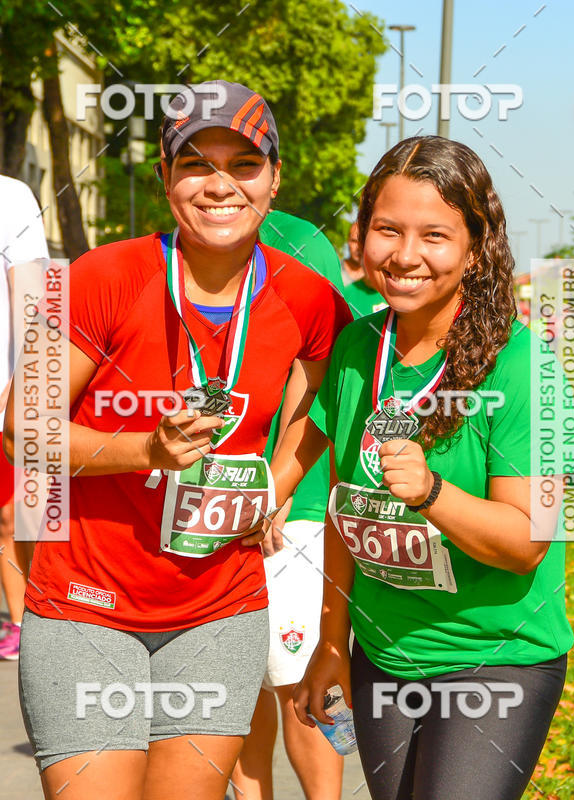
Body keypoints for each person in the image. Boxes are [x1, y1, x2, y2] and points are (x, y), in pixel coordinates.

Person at [3, 80, 350, 800]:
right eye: (195, 164)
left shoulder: (309, 297)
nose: (219, 185)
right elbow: (21, 426)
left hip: (218, 609)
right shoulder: (102, 277)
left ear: (274, 177)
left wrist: (271, 490)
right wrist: (145, 452)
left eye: (244, 164)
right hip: (85, 602)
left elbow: (325, 398)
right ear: (165, 179)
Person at [271, 136, 574, 800]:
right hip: (382, 655)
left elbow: (530, 543)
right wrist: (330, 642)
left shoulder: (530, 369)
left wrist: (433, 492)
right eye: (387, 229)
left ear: (475, 246)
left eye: (434, 235)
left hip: (497, 660)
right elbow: (344, 511)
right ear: (362, 236)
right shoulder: (356, 347)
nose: (405, 255)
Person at [232, 210, 345, 800]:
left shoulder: (298, 239)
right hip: (215, 505)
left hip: (290, 506)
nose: (219, 182)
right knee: (235, 685)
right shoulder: (177, 246)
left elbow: (321, 362)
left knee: (301, 683)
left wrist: (281, 490)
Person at [0, 174, 49, 661]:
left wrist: (24, 376)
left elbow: (34, 293)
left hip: (7, 393)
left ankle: (33, 619)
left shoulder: (10, 196)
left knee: (21, 514)